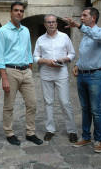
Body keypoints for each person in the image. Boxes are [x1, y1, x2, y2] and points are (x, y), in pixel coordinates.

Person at [0, 1, 43, 146]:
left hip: (26, 72)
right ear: (10, 12)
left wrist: (29, 66)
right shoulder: (2, 31)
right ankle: (9, 133)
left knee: (32, 103)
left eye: (21, 11)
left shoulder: (26, 30)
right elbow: (0, 56)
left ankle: (30, 133)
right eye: (16, 10)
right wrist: (4, 77)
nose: (19, 13)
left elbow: (29, 50)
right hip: (10, 71)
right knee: (9, 105)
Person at [64, 7, 101, 153]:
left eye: (85, 15)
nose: (82, 18)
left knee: (95, 110)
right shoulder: (84, 36)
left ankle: (99, 140)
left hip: (95, 76)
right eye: (81, 16)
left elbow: (97, 37)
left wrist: (79, 26)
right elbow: (85, 54)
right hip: (82, 75)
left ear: (93, 17)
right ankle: (86, 136)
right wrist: (77, 65)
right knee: (85, 109)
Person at [33, 14, 78, 143]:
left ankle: (72, 130)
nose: (51, 24)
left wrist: (64, 59)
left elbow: (72, 54)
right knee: (48, 103)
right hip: (46, 74)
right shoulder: (40, 39)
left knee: (65, 102)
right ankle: (50, 129)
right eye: (48, 22)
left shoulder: (64, 37)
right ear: (45, 24)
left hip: (61, 73)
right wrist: (45, 61)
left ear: (57, 24)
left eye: (53, 22)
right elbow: (35, 57)